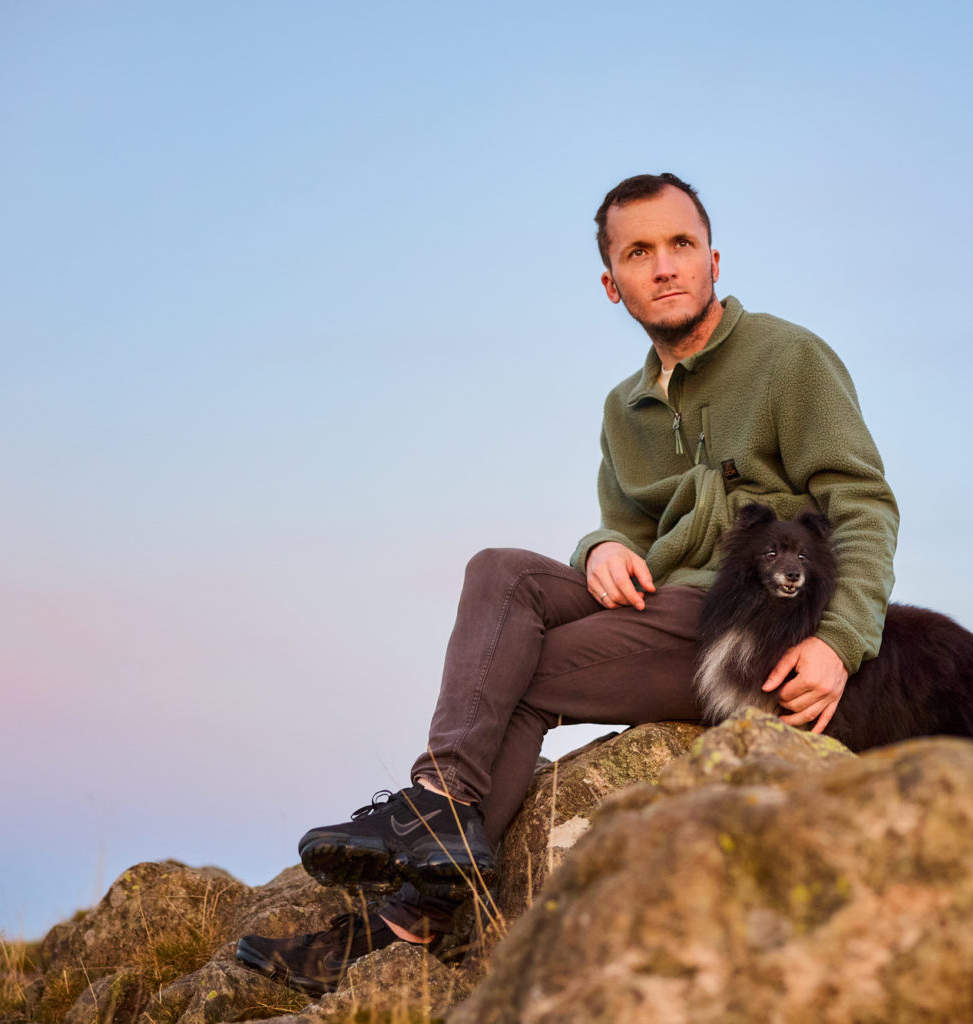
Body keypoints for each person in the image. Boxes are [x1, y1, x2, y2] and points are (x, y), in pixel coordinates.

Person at [236, 172, 900, 995]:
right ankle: (440, 810)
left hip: (748, 621)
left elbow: (863, 503)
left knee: (519, 676)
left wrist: (839, 641)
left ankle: (409, 906)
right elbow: (627, 526)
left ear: (715, 259)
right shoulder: (624, 409)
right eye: (638, 252)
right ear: (610, 283)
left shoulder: (788, 358)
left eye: (680, 245)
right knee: (500, 573)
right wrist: (600, 548)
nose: (663, 267)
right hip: (661, 598)